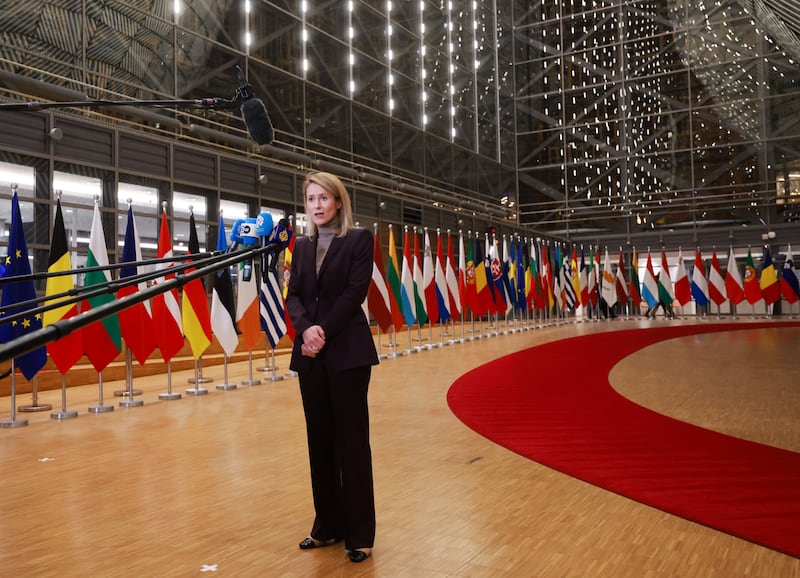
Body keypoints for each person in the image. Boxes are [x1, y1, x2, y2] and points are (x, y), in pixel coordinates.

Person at [285, 171, 379, 564]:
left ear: (338, 201)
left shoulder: (358, 239)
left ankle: (359, 535)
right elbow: (293, 297)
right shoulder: (301, 247)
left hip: (347, 352)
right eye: (311, 199)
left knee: (351, 443)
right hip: (310, 355)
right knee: (318, 441)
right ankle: (328, 526)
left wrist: (322, 329)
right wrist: (306, 330)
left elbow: (355, 291)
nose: (318, 205)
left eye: (324, 198)